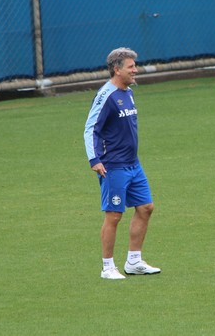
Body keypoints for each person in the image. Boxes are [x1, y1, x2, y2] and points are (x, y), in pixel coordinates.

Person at [84, 47, 161, 279]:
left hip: (133, 164)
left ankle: (134, 261)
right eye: (131, 67)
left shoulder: (128, 92)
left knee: (146, 207)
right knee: (114, 215)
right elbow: (90, 129)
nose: (135, 70)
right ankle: (107, 267)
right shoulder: (106, 96)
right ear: (117, 70)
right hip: (113, 165)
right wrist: (94, 159)